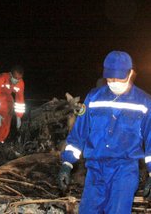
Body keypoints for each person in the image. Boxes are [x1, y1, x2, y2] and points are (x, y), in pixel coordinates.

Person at [58, 50, 151, 213]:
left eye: (119, 78)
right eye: (110, 78)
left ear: (130, 74)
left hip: (125, 170)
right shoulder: (93, 98)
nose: (114, 82)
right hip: (95, 169)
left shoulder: (144, 103)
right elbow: (79, 133)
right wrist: (67, 163)